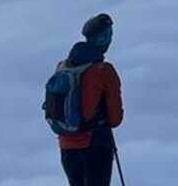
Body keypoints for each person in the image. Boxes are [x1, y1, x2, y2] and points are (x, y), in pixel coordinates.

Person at [53, 13, 124, 186]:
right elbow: (115, 119)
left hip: (67, 145)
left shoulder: (63, 67)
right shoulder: (104, 71)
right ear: (104, 38)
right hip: (95, 145)